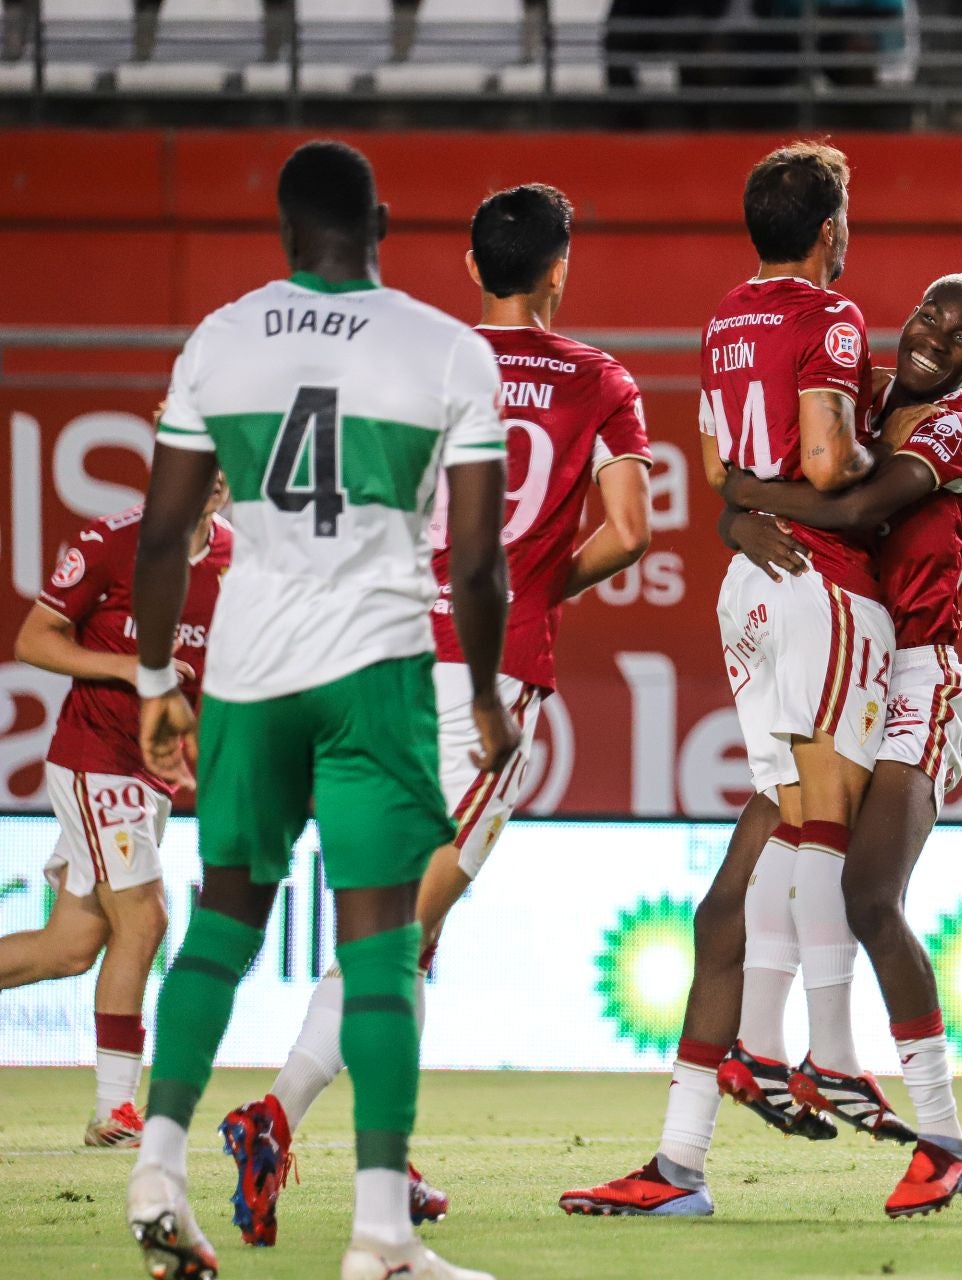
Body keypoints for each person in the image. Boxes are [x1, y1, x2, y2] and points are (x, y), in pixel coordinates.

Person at [219, 181, 653, 1247]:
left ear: (469, 269)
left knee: (414, 922)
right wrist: (540, 582)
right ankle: (273, 1114)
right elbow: (632, 529)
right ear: (561, 268)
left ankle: (387, 1141)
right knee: (399, 926)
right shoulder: (599, 379)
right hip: (486, 680)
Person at [123, 138, 512, 1280]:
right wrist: (482, 693)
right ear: (382, 219)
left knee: (224, 920)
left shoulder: (221, 338)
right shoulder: (446, 348)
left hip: (246, 666)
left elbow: (161, 536)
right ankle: (382, 1234)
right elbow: (479, 563)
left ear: (286, 232)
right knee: (382, 941)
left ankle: (154, 1162)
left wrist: (156, 682)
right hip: (376, 667)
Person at [559, 140, 907, 1219]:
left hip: (745, 593)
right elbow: (822, 462)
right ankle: (827, 1051)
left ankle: (698, 1129)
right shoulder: (831, 319)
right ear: (830, 229)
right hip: (819, 581)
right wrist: (879, 451)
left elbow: (717, 471)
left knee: (768, 838)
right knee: (822, 831)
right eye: (845, 217)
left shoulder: (723, 318)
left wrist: (743, 500)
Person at [718, 272, 962, 1218]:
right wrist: (736, 517)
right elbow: (809, 493)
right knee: (797, 856)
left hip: (923, 674)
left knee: (871, 895)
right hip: (854, 650)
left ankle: (945, 1138)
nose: (937, 338)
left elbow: (850, 511)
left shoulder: (952, 431)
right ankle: (788, 1056)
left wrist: (738, 494)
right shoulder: (867, 399)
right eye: (931, 315)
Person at [0, 475, 231, 1149]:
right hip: (94, 757)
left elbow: (218, 673)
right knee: (146, 916)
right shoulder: (111, 541)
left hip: (147, 777)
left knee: (68, 950)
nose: (211, 475)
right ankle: (115, 1110)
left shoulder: (239, 560)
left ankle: (114, 1106)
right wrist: (130, 667)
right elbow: (34, 640)